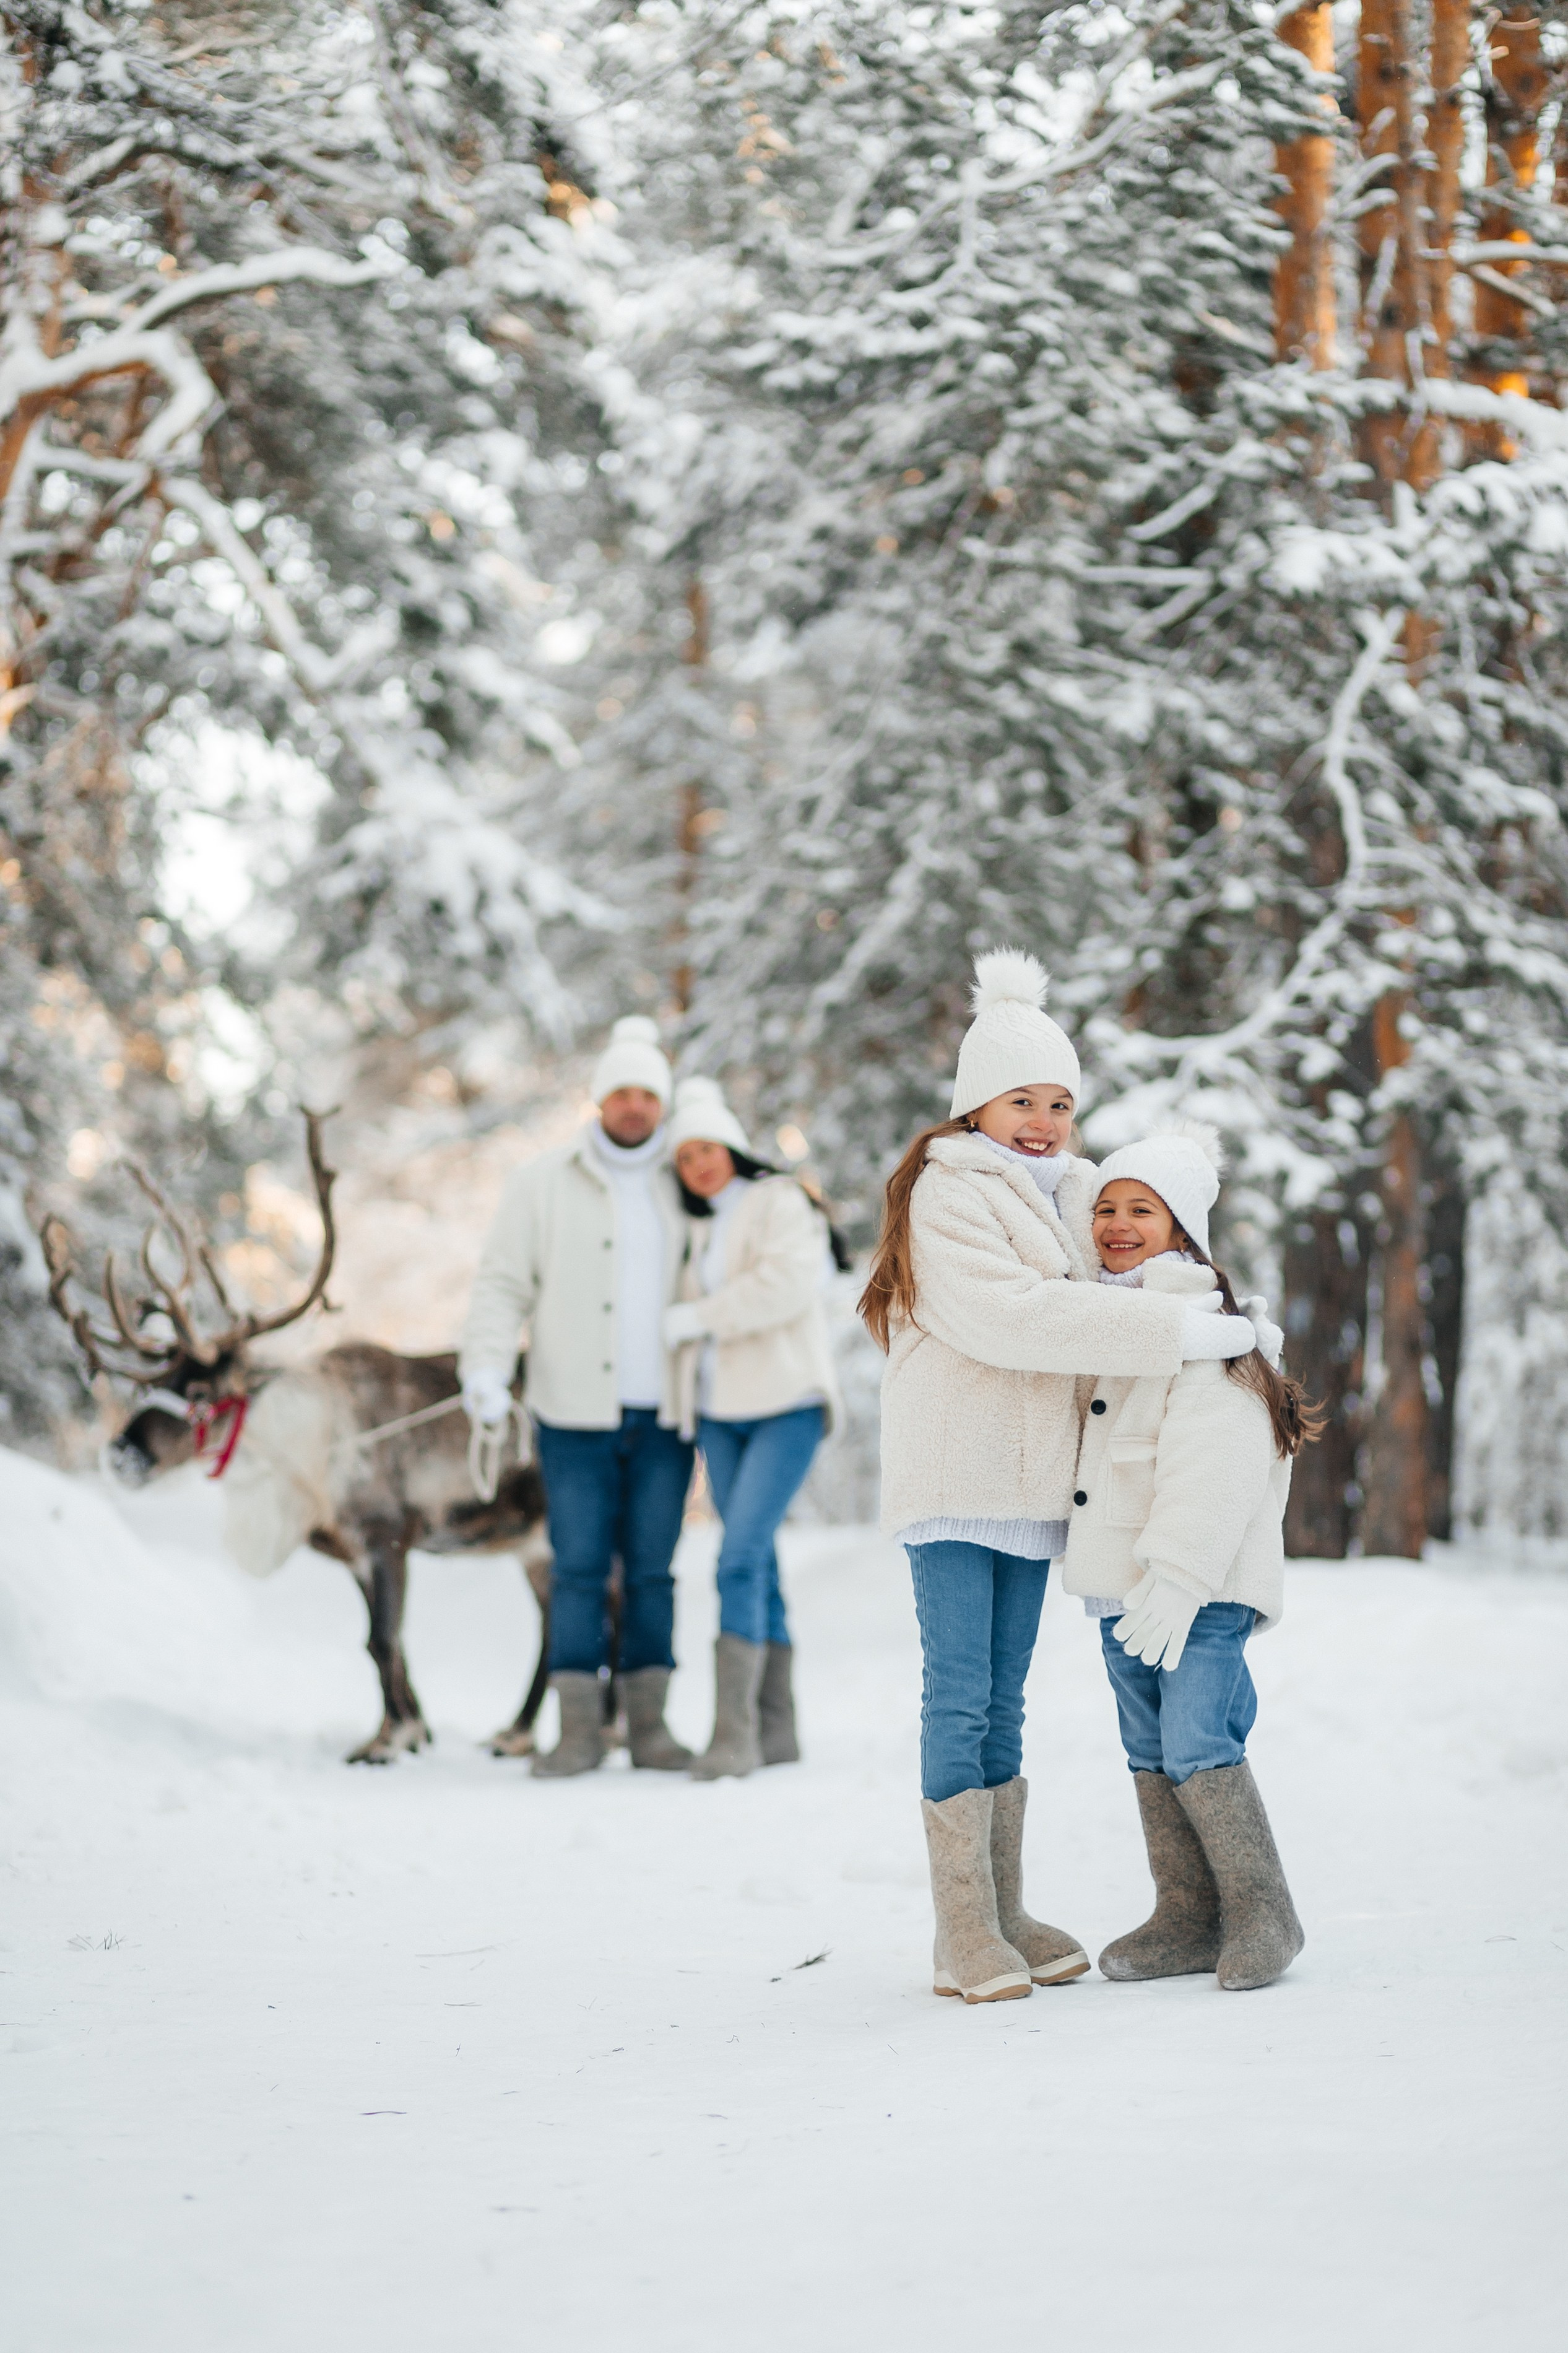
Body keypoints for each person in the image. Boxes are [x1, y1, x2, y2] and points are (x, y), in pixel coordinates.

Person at [859, 949, 1257, 2005]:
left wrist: (1209, 1321)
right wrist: (1179, 1330)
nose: (1041, 1119)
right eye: (1021, 1099)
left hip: (1038, 1486)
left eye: (1059, 1103)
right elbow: (1016, 1319)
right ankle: (961, 1933)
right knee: (956, 1696)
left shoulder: (1072, 1195)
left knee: (1004, 1700)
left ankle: (1003, 1909)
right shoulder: (947, 1193)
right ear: (973, 1105)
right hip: (956, 1475)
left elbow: (1136, 1258)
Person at [1060, 1124, 1317, 1991]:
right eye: (1105, 1207)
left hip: (1195, 1587)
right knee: (1147, 1743)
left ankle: (1261, 1910)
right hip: (1123, 1591)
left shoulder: (1209, 1330)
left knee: (1197, 1736)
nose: (1117, 1223)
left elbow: (1217, 1467)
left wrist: (1177, 1575)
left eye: (1142, 1209)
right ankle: (1186, 1915)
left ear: (1183, 1231)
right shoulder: (1108, 1320)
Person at [459, 1016, 694, 1778]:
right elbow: (501, 1284)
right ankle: (578, 1731)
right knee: (579, 1567)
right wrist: (487, 1369)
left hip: (666, 1415)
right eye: (620, 1092)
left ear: (662, 1103)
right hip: (571, 1415)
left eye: (647, 1094)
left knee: (653, 1568)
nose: (634, 1106)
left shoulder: (690, 1179)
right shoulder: (541, 1182)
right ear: (599, 1100)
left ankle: (650, 1727)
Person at [661, 1077, 840, 1780]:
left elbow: (786, 1286)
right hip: (719, 1411)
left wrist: (698, 1318)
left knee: (736, 1555)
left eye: (707, 1148)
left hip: (786, 1401)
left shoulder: (779, 1201)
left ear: (732, 1147)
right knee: (755, 1558)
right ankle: (777, 1731)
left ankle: (730, 1734)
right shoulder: (696, 1224)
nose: (698, 1163)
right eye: (684, 1156)